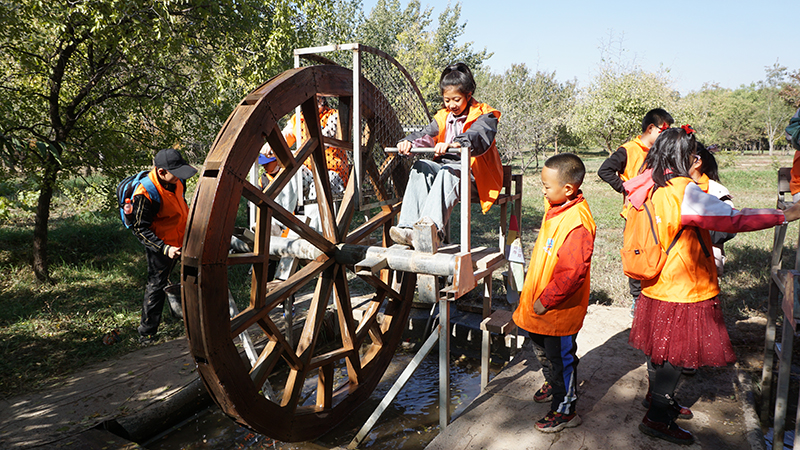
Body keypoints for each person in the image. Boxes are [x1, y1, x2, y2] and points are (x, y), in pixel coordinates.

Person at [624, 126, 800, 445]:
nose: (697, 160)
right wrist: (783, 216)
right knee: (676, 355)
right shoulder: (683, 191)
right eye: (693, 154)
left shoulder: (647, 183)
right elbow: (732, 219)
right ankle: (657, 418)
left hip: (656, 282)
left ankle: (658, 401)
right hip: (683, 287)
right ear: (682, 157)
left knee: (660, 349)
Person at [512, 153, 595, 433]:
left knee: (561, 359)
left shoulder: (577, 223)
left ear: (568, 188)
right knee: (544, 352)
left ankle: (565, 409)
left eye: (547, 186)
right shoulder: (557, 207)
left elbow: (572, 274)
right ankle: (553, 382)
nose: (543, 191)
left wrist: (545, 301)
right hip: (540, 307)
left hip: (556, 309)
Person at [388, 62, 502, 248]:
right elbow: (425, 136)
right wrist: (408, 142)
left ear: (468, 95)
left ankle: (431, 232)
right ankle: (408, 228)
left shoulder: (485, 115)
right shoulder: (442, 117)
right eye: (447, 100)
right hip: (447, 171)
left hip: (474, 175)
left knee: (447, 171)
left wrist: (457, 143)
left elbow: (479, 136)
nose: (451, 105)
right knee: (421, 166)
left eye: (456, 99)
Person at [598, 108, 674, 317]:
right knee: (637, 253)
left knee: (657, 251)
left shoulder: (661, 151)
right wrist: (626, 188)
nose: (665, 137)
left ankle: (655, 294)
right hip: (636, 211)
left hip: (659, 211)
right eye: (663, 131)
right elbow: (604, 171)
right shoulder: (629, 149)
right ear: (651, 128)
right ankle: (636, 300)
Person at [129, 149, 197, 345]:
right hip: (161, 246)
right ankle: (147, 333)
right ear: (161, 172)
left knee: (195, 275)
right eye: (176, 173)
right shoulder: (144, 193)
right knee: (157, 285)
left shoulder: (177, 181)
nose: (180, 177)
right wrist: (165, 248)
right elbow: (140, 229)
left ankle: (194, 317)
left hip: (183, 239)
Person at [260, 95, 350, 233]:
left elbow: (322, 141)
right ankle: (276, 224)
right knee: (291, 172)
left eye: (318, 99)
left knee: (319, 185)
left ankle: (314, 233)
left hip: (333, 171)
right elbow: (286, 135)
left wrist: (299, 151)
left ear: (323, 101)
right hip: (309, 169)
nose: (315, 102)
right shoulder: (298, 118)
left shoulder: (333, 116)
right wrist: (271, 145)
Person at [689, 143, 735, 276]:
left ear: (697, 162)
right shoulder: (677, 186)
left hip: (709, 258)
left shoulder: (717, 191)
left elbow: (728, 228)